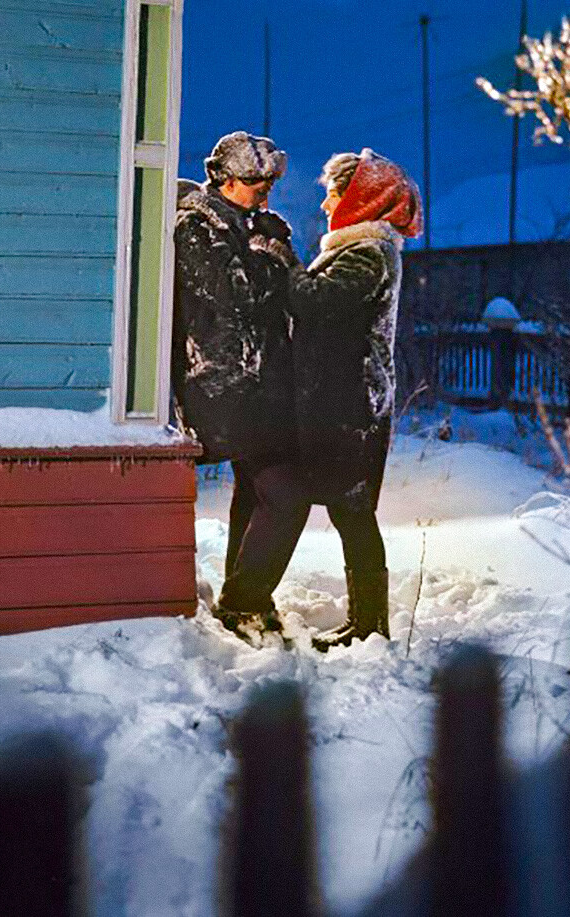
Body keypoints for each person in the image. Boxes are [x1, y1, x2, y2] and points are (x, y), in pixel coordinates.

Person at [288, 149, 422, 650]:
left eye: (334, 192)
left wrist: (284, 263)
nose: (326, 204)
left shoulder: (367, 253)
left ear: (359, 199)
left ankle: (370, 626)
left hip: (352, 406)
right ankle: (365, 622)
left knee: (353, 514)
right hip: (346, 401)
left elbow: (318, 305)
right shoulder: (359, 250)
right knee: (351, 513)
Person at [172, 130, 304, 632]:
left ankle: (241, 597)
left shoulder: (253, 225)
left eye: (269, 180)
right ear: (224, 180)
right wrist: (269, 253)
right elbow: (233, 296)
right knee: (287, 491)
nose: (265, 189)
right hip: (222, 383)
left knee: (256, 493)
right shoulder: (197, 225)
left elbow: (292, 293)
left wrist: (272, 247)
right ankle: (244, 600)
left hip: (261, 382)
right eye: (255, 180)